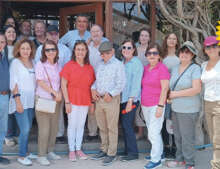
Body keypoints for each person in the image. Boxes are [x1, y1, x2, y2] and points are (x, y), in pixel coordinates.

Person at [166, 41, 201, 169]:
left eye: (188, 52)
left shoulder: (195, 68)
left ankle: (190, 163)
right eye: (182, 51)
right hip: (175, 108)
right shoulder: (175, 68)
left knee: (187, 137)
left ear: (192, 55)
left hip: (189, 109)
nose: (184, 54)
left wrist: (176, 94)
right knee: (178, 136)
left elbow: (196, 89)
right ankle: (180, 160)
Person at [91, 41, 126, 166]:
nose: (103, 56)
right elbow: (96, 80)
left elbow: (121, 83)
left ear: (112, 52)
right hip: (99, 99)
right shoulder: (100, 64)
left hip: (111, 100)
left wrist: (111, 94)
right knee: (102, 126)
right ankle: (104, 149)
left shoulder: (118, 65)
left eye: (105, 53)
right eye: (101, 54)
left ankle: (111, 153)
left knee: (111, 127)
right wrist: (93, 88)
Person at [35, 25, 71, 143]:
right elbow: (38, 68)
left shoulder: (65, 49)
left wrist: (61, 90)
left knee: (58, 113)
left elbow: (67, 69)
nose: (53, 35)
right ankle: (47, 138)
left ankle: (59, 134)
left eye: (55, 33)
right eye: (51, 34)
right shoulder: (40, 49)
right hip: (44, 89)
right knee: (45, 116)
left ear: (59, 35)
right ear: (46, 35)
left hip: (59, 86)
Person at [60, 41, 95, 161]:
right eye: (78, 49)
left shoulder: (89, 68)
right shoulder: (69, 65)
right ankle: (71, 150)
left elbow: (92, 87)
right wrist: (67, 102)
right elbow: (63, 84)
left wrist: (92, 103)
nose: (80, 52)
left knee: (80, 126)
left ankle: (78, 149)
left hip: (85, 100)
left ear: (86, 52)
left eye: (83, 49)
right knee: (72, 125)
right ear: (74, 51)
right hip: (72, 100)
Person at [141, 43, 170, 169]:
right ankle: (160, 153)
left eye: (155, 53)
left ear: (159, 55)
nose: (152, 55)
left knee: (153, 132)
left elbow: (165, 89)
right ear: (146, 55)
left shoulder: (162, 68)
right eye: (149, 53)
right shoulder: (146, 68)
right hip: (145, 104)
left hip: (156, 105)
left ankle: (156, 160)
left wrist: (160, 106)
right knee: (153, 132)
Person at [9, 38, 37, 166]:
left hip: (31, 101)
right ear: (18, 49)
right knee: (25, 129)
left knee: (28, 128)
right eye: (23, 48)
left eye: (28, 48)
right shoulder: (15, 62)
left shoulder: (33, 62)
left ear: (31, 50)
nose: (26, 51)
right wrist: (18, 101)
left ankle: (25, 152)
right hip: (19, 99)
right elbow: (13, 83)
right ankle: (21, 156)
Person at [35, 40, 62, 166]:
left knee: (54, 128)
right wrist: (54, 93)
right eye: (47, 50)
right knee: (44, 129)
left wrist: (60, 93)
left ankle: (50, 150)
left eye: (53, 49)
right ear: (43, 52)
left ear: (56, 51)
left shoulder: (58, 64)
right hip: (44, 99)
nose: (50, 52)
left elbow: (61, 82)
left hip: (56, 100)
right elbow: (40, 82)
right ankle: (41, 155)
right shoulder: (40, 64)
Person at [119, 39, 143, 162]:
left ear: (134, 50)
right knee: (124, 125)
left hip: (131, 99)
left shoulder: (136, 63)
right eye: (124, 47)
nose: (126, 50)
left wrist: (130, 100)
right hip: (121, 99)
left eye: (129, 48)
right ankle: (127, 150)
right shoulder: (121, 62)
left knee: (127, 125)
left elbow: (136, 83)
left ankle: (133, 153)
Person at [201, 36, 220, 169]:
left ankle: (215, 166)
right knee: (213, 137)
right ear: (205, 50)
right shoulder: (203, 65)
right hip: (207, 104)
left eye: (214, 46)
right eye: (208, 47)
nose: (212, 49)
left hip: (219, 104)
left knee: (217, 140)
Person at [87, 24, 108, 141]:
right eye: (93, 32)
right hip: (90, 82)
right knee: (92, 108)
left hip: (103, 82)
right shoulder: (87, 47)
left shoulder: (106, 47)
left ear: (102, 33)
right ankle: (92, 133)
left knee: (102, 108)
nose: (95, 34)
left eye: (97, 31)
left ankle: (103, 133)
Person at [161, 32, 180, 158]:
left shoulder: (180, 57)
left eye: (174, 39)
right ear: (166, 40)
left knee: (174, 121)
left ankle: (175, 148)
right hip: (163, 93)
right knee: (164, 121)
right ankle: (166, 147)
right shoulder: (162, 56)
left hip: (176, 94)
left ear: (177, 42)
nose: (172, 41)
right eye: (170, 38)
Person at [3, 25, 19, 147]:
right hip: (5, 84)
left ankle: (15, 134)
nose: (11, 34)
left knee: (15, 110)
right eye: (9, 32)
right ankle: (8, 136)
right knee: (7, 112)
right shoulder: (2, 47)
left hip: (17, 84)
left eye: (13, 32)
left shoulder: (17, 47)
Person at [135, 28, 151, 140]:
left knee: (148, 107)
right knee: (138, 108)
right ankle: (140, 132)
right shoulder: (135, 49)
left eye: (146, 36)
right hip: (137, 81)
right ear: (139, 37)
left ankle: (149, 132)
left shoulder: (151, 49)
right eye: (142, 35)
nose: (144, 37)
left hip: (149, 81)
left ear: (149, 38)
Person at [0, 33, 10, 165]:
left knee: (2, 128)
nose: (1, 43)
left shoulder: (4, 57)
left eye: (2, 42)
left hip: (5, 96)